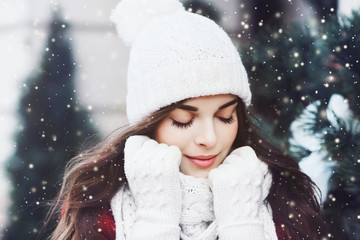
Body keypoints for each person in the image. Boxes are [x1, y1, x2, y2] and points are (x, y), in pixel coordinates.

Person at [49, 0, 326, 239]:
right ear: (149, 125)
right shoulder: (99, 210)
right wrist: (155, 222)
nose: (210, 138)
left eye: (225, 117)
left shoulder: (284, 200)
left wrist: (243, 224)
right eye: (183, 121)